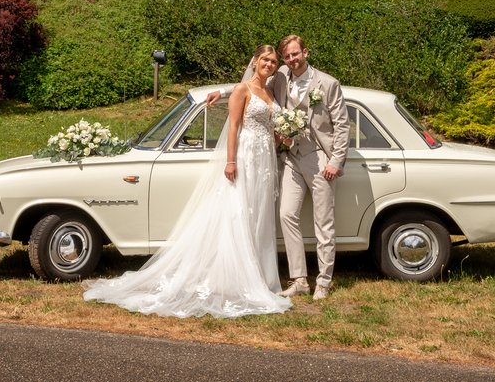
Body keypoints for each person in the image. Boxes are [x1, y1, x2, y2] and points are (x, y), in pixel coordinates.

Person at [82, 45, 291, 318]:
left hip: (265, 158)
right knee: (239, 213)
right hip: (245, 155)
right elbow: (234, 128)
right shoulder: (243, 90)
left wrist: (284, 135)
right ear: (255, 61)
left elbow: (268, 124)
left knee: (259, 215)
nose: (270, 64)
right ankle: (233, 278)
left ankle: (259, 277)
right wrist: (230, 161)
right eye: (265, 59)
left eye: (273, 61)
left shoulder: (270, 91)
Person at [270, 34, 348, 301]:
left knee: (323, 222)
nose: (292, 60)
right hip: (291, 157)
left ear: (306, 52)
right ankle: (300, 279)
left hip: (319, 158)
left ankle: (324, 281)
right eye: (288, 56)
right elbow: (252, 87)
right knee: (286, 214)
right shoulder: (281, 77)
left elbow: (341, 125)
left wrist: (335, 161)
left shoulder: (327, 83)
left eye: (296, 54)